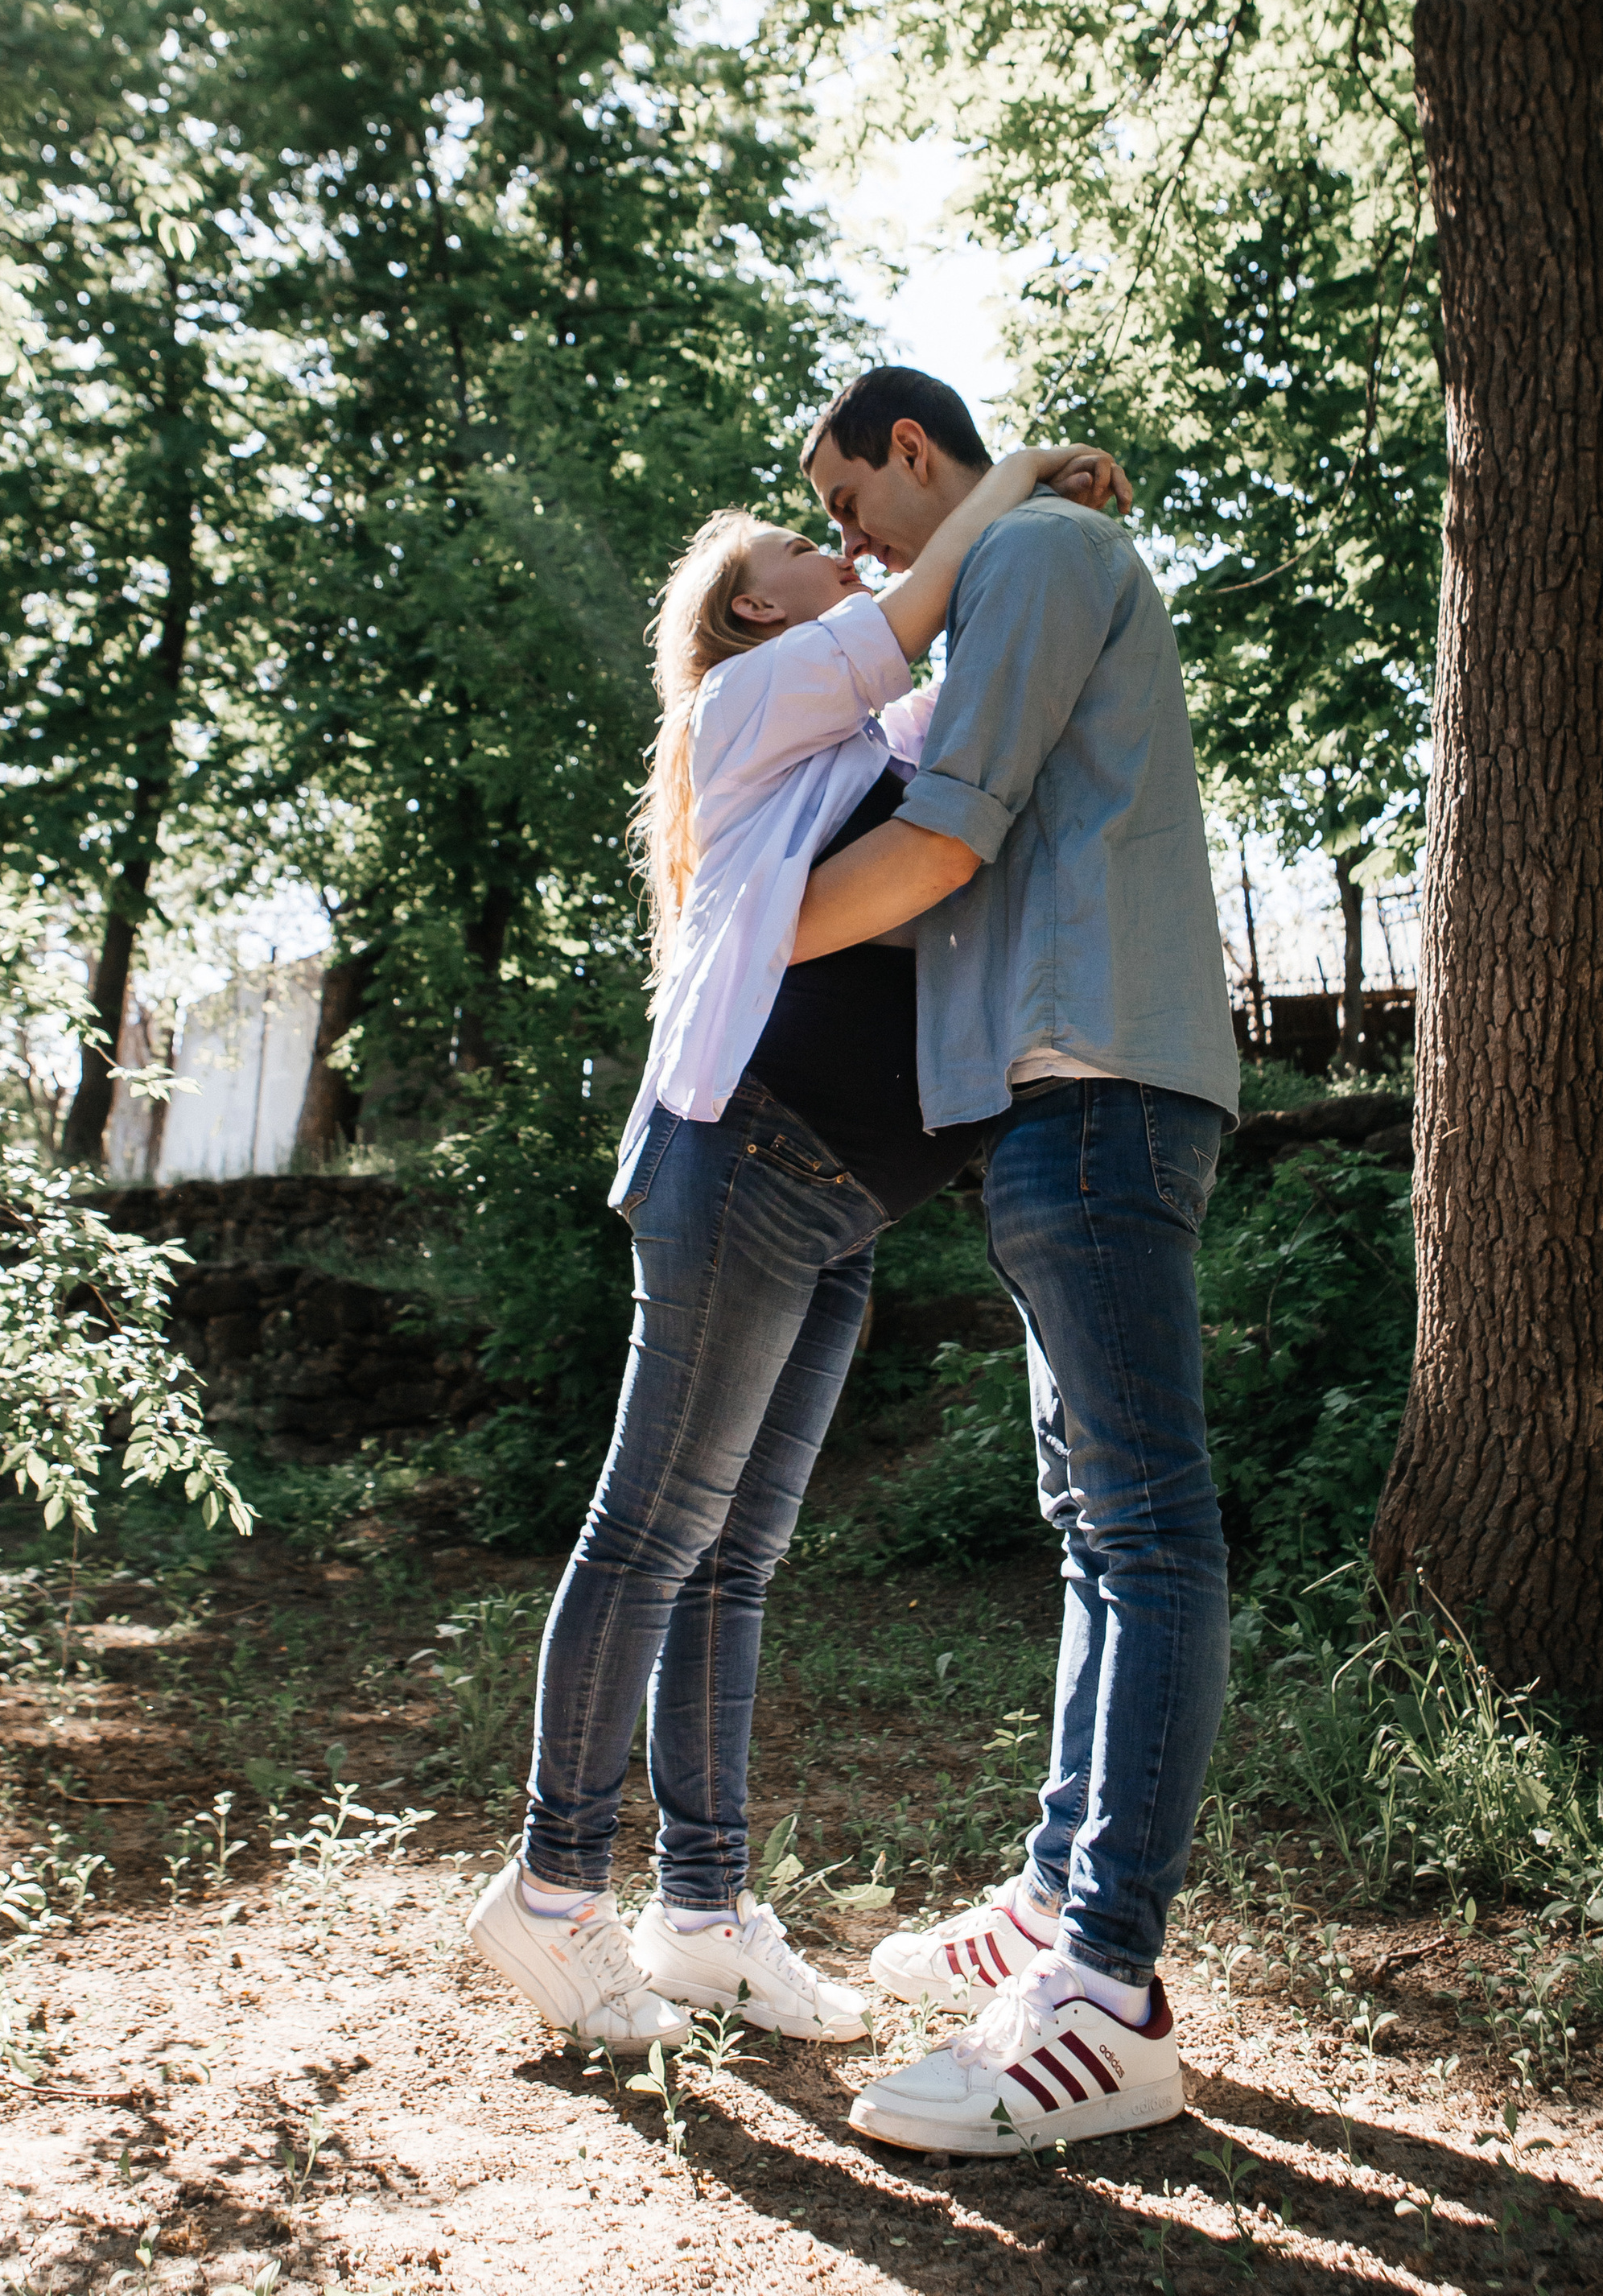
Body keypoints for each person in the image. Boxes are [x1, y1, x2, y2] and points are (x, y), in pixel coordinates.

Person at [465, 432, 1130, 2056]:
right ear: (753, 624)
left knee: (732, 1558)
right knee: (648, 1533)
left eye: (842, 534)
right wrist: (1022, 473)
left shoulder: (853, 728)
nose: (846, 558)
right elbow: (914, 610)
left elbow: (970, 697)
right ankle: (549, 1894)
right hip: (742, 1156)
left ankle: (701, 1914)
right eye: (811, 554)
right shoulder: (741, 706)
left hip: (836, 1200)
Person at [790, 365, 1241, 2159]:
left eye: (847, 507)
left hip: (1095, 1082)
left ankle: (1109, 1992)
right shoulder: (1009, 564)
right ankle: (1061, 1895)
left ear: (915, 454)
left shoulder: (1039, 552)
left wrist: (728, 927)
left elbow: (946, 835)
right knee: (1090, 1525)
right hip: (1044, 1099)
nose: (848, 550)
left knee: (1142, 1526)